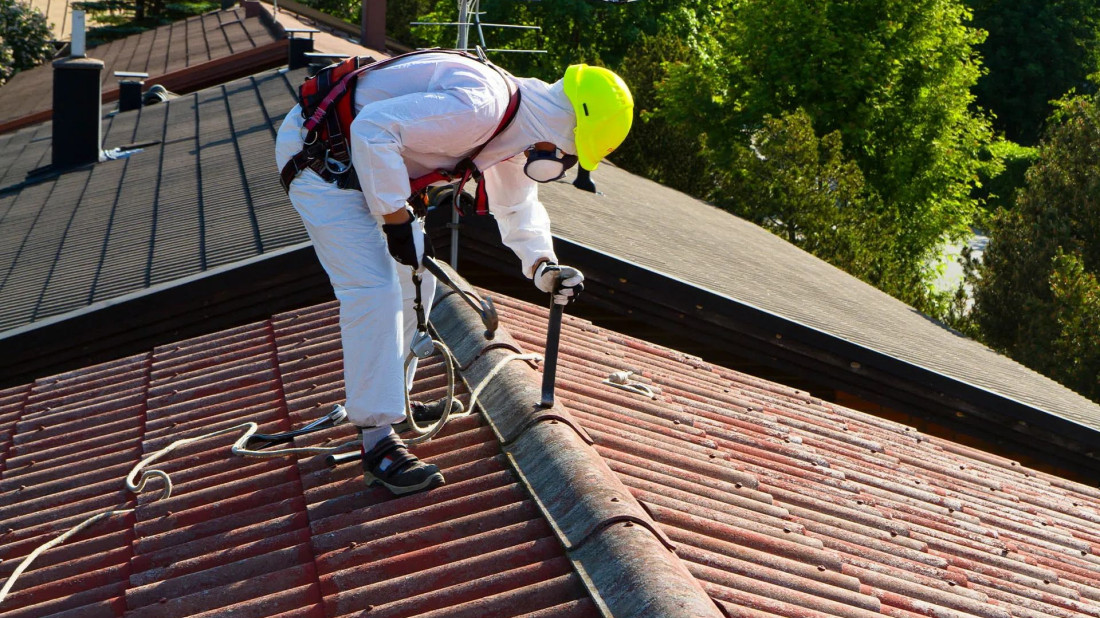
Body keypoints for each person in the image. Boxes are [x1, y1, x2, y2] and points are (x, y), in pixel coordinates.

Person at [275, 51, 633, 496]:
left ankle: (394, 404)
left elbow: (517, 203)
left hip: (357, 162)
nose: (562, 164)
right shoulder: (481, 108)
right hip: (319, 161)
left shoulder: (517, 125)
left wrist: (544, 266)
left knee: (417, 282)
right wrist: (395, 219)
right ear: (564, 132)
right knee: (375, 288)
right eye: (572, 155)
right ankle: (376, 440)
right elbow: (373, 129)